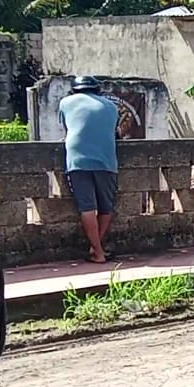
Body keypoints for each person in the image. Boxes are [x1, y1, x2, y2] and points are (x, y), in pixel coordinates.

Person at [58, 76, 119, 263]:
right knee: (106, 208)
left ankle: (97, 252)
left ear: (75, 90)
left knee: (87, 208)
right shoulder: (111, 106)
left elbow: (67, 128)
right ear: (97, 91)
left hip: (78, 159)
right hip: (106, 159)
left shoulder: (66, 102)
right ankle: (96, 248)